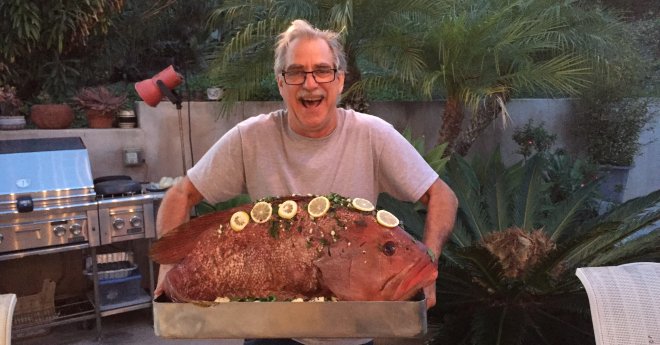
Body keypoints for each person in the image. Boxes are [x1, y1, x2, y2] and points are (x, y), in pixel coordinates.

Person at [155, 19, 458, 345]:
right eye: (296, 72)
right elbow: (181, 194)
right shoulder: (250, 138)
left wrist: (429, 260)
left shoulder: (373, 135)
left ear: (340, 80)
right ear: (280, 83)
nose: (310, 83)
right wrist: (169, 270)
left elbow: (442, 196)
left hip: (352, 333)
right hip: (270, 331)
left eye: (322, 71)